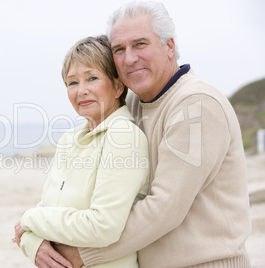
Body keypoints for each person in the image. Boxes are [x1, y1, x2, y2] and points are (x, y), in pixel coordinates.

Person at [35, 1, 252, 268]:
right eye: (119, 49)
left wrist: (82, 254)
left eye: (140, 44)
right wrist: (37, 241)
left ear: (169, 46)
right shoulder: (134, 105)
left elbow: (164, 209)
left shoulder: (197, 105)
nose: (129, 58)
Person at [13, 35, 150, 268]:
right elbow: (48, 208)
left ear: (118, 86)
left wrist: (28, 220)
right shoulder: (70, 140)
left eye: (92, 78)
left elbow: (102, 227)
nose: (81, 91)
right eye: (72, 82)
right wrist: (31, 242)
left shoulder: (124, 136)